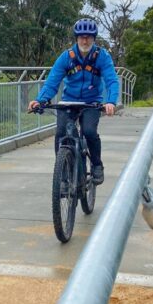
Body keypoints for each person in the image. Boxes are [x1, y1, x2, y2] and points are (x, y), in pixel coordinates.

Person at [29, 18, 120, 185]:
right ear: (76, 38)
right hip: (69, 101)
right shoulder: (66, 57)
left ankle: (96, 165)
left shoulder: (102, 57)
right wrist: (40, 100)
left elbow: (111, 80)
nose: (85, 40)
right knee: (61, 133)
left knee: (89, 131)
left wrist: (111, 101)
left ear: (94, 38)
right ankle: (63, 176)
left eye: (88, 37)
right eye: (81, 37)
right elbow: (52, 82)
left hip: (92, 102)